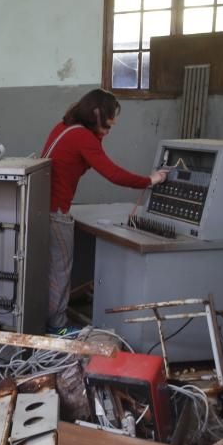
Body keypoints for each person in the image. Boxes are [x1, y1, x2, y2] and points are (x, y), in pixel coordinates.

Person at [40, 88, 167, 335]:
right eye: (111, 116)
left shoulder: (64, 128)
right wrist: (149, 180)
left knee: (53, 269)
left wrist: (100, 133)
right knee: (60, 269)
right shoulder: (83, 138)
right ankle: (58, 326)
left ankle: (53, 319)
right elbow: (113, 173)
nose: (115, 121)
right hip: (56, 212)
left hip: (42, 207)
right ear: (97, 114)